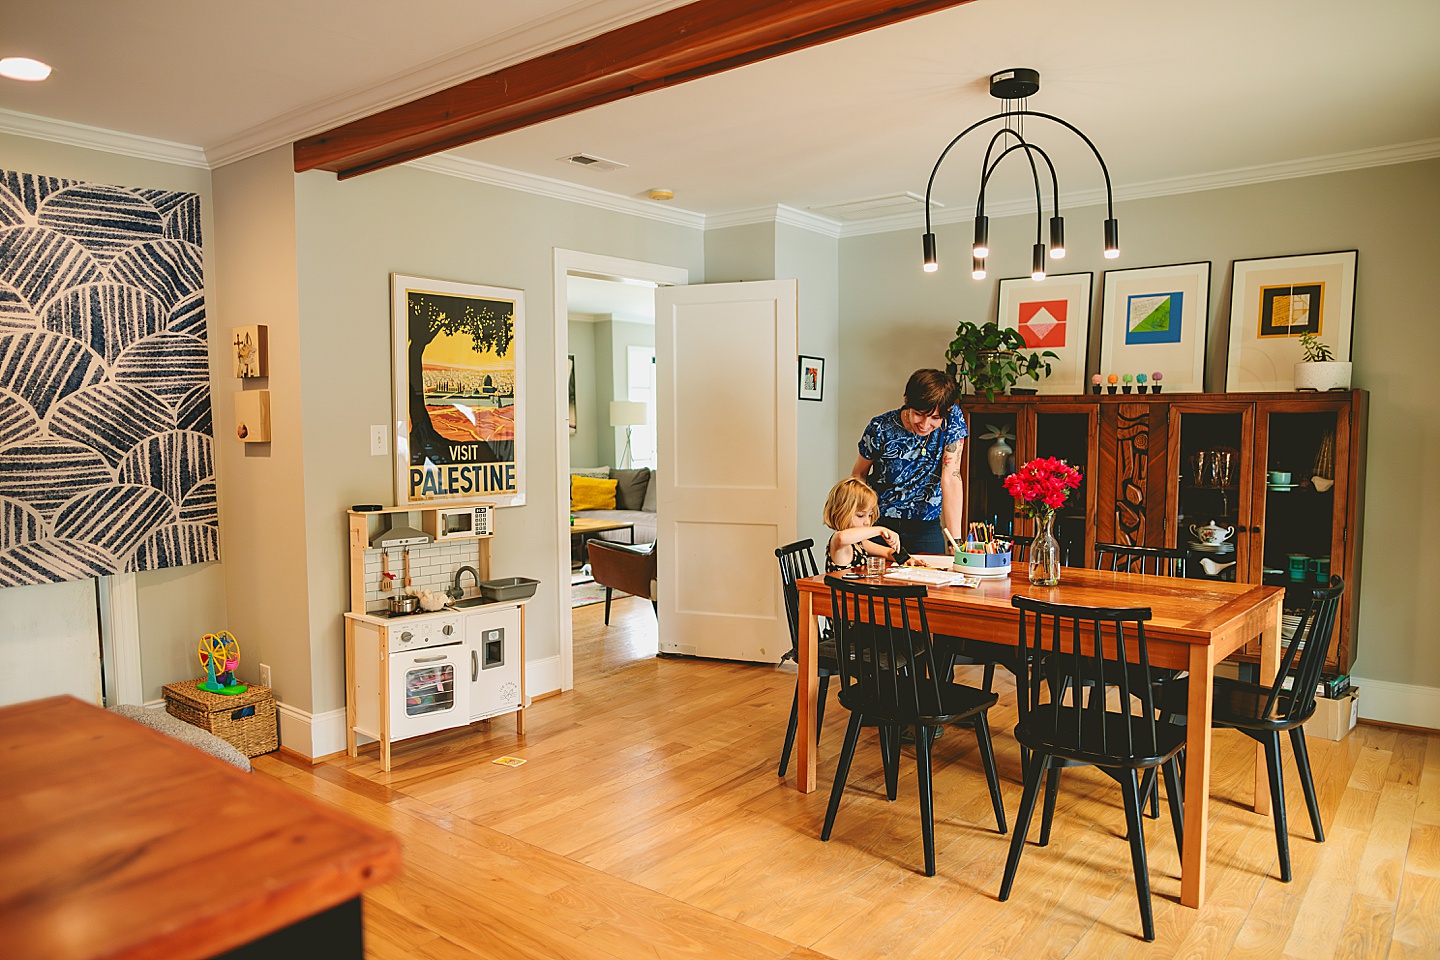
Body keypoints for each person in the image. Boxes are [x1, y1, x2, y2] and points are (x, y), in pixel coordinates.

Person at [851, 368, 966, 556]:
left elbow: (951, 478)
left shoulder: (953, 420)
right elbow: (858, 474)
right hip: (880, 523)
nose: (925, 424)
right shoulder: (880, 427)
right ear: (907, 401)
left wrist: (956, 541)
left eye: (935, 418)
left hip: (926, 524)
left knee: (933, 582)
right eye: (919, 414)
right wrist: (858, 525)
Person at [821, 478, 901, 572]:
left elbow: (888, 552)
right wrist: (881, 530)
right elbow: (842, 537)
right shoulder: (838, 542)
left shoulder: (859, 543)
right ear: (841, 513)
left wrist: (907, 559)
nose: (867, 521)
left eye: (870, 515)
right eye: (861, 515)